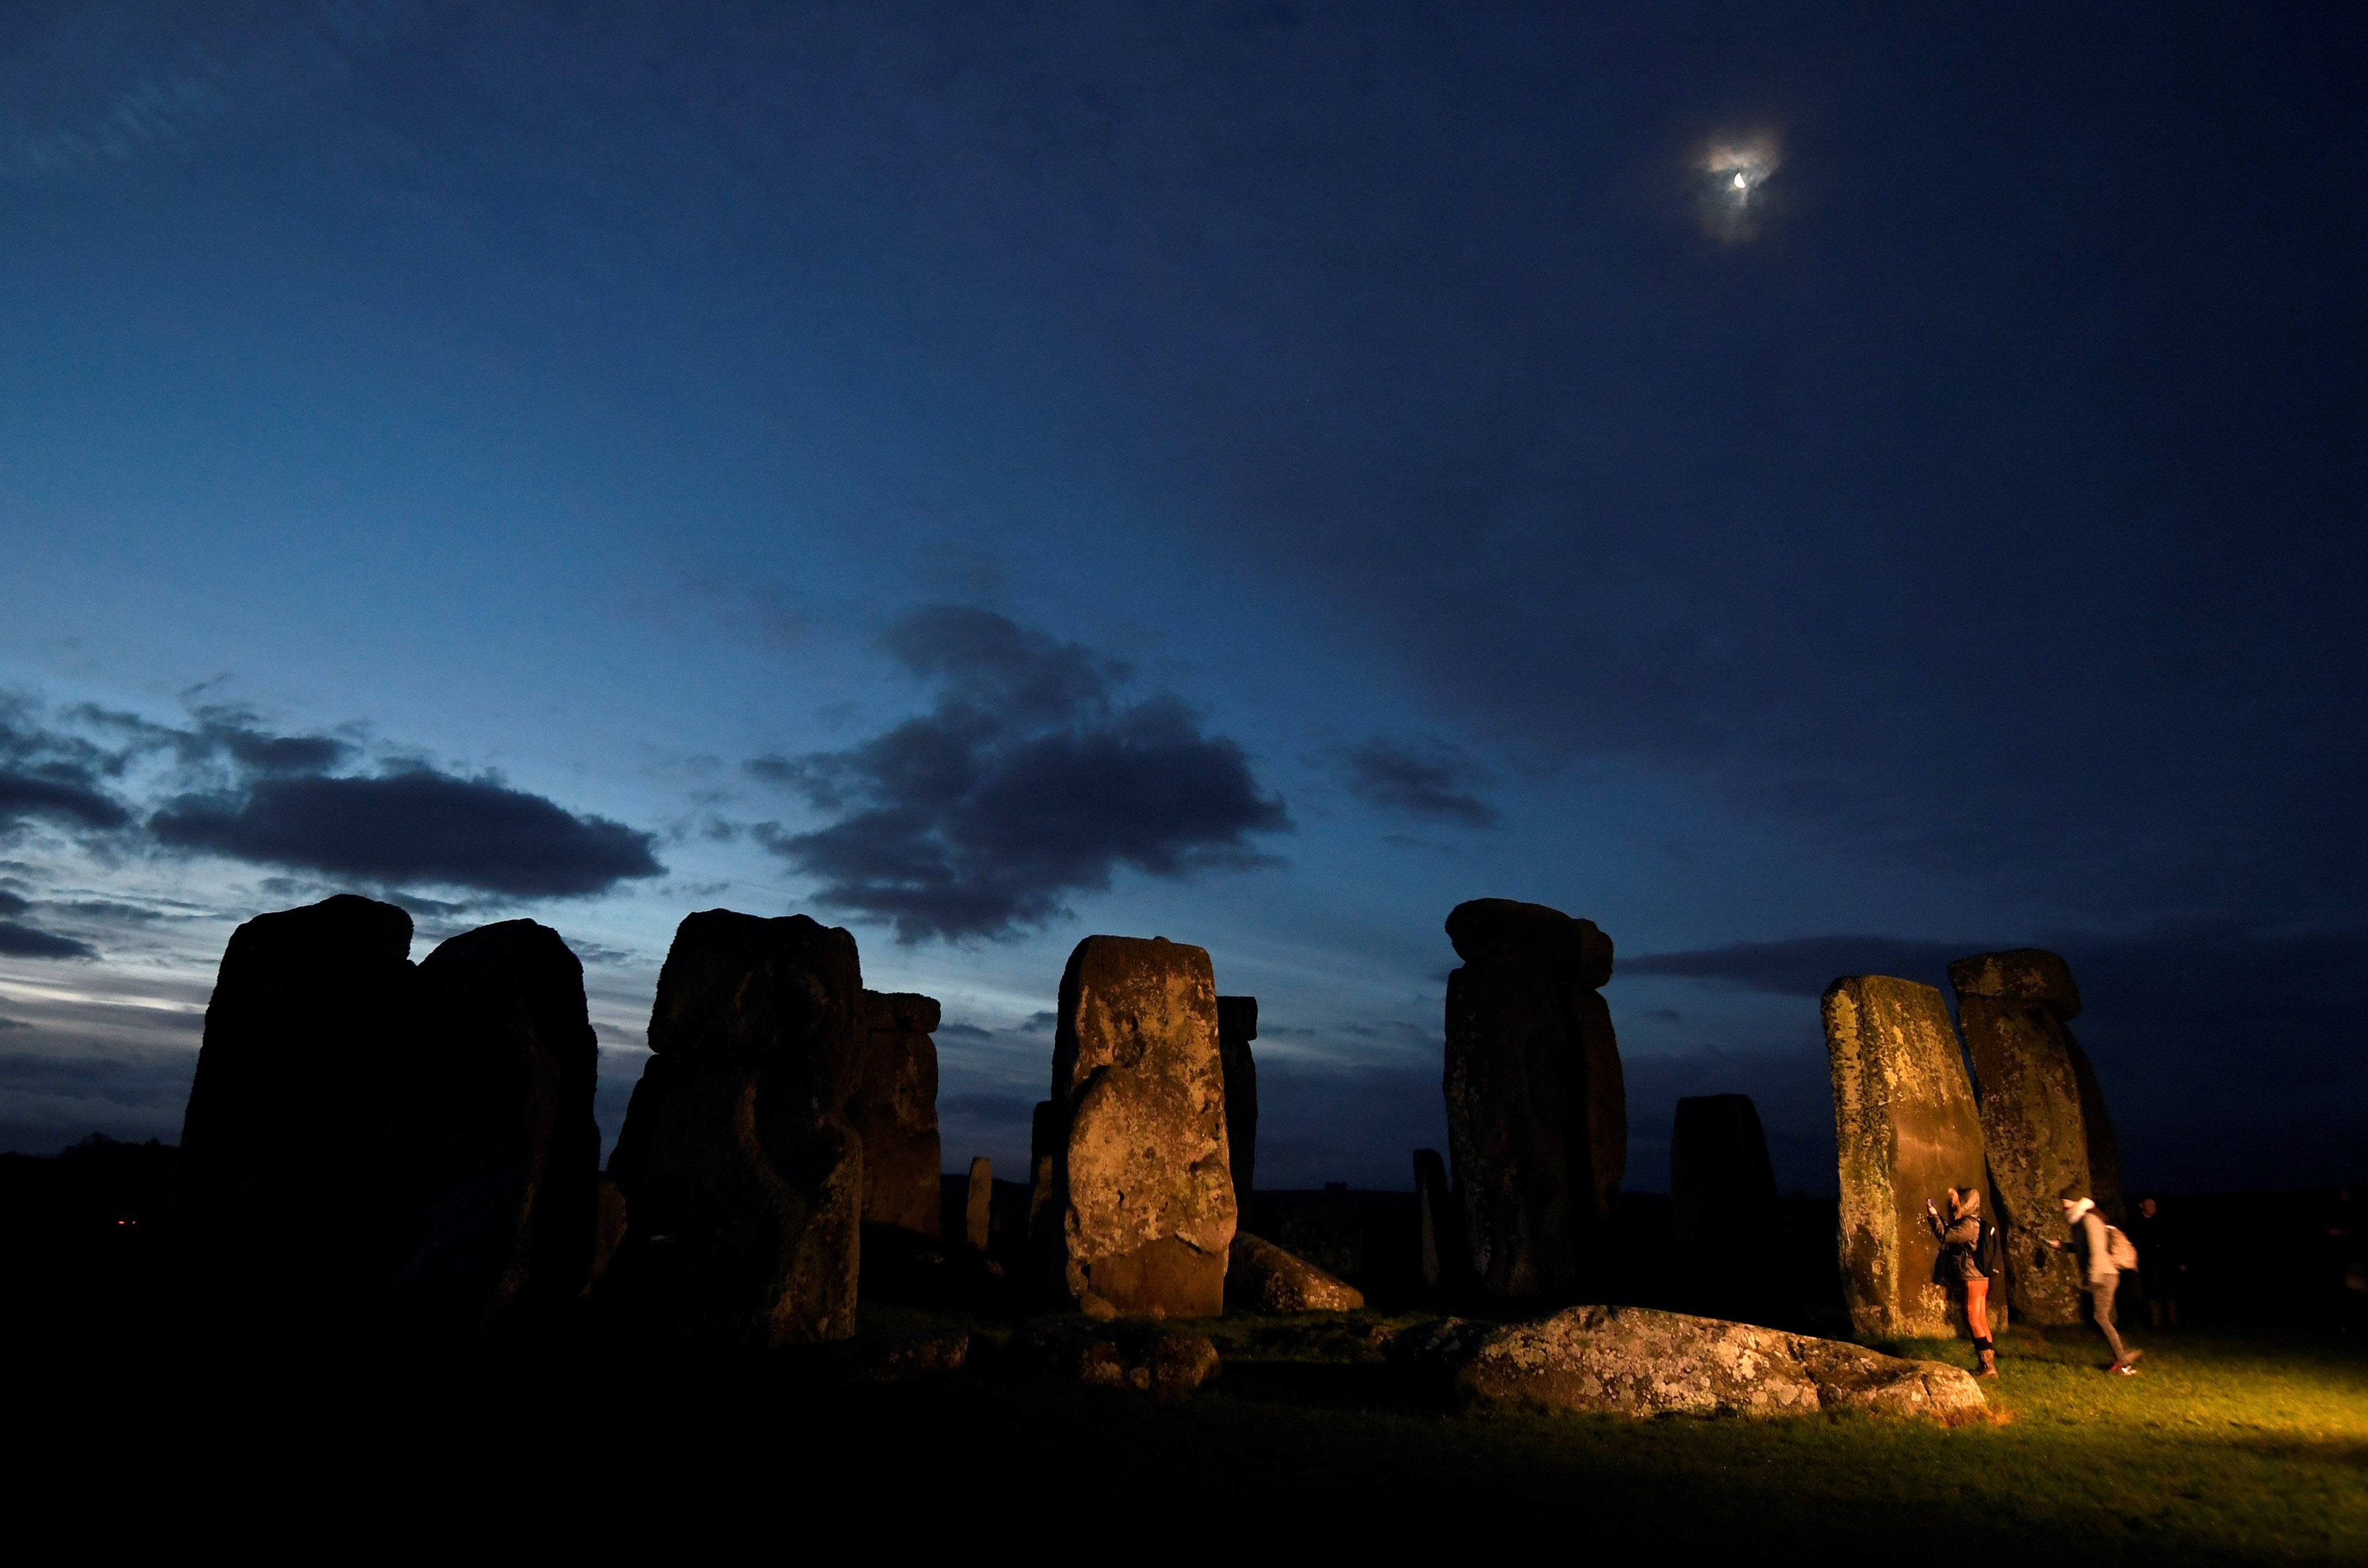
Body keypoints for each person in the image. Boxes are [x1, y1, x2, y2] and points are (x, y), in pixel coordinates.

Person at [2050, 1185, 2141, 1374]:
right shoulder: (2080, 1220)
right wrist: (2061, 1246)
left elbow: (2097, 1251)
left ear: (2075, 1201)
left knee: (2100, 1318)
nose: (2063, 1204)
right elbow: (2082, 1248)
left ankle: (2124, 1364)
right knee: (2098, 1318)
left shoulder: (2089, 1220)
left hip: (2104, 1275)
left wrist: (2092, 1278)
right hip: (2102, 1274)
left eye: (2065, 1200)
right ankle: (2124, 1354)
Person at [1926, 1187, 1996, 1377]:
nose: (1954, 1207)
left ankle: (1987, 1366)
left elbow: (1946, 1236)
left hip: (1972, 1277)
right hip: (1982, 1277)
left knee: (1972, 1318)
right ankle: (1989, 1365)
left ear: (1965, 1205)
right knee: (1981, 1318)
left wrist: (1934, 1216)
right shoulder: (1977, 1223)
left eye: (1957, 1204)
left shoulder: (1969, 1224)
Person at [2127, 1195, 2182, 1328]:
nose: (2153, 1208)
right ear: (2142, 1206)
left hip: (2166, 1261)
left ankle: (2173, 1322)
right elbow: (2133, 1244)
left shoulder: (2163, 1221)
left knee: (2170, 1290)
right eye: (2150, 1205)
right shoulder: (2135, 1223)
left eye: (2155, 1205)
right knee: (2153, 1290)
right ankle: (2156, 1322)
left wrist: (2178, 1261)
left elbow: (2173, 1242)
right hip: (2148, 1263)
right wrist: (2134, 1263)